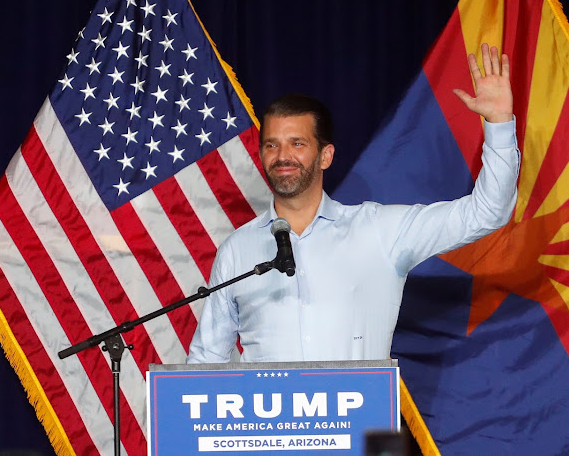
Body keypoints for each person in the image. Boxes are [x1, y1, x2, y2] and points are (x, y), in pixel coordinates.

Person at [187, 44, 519, 363]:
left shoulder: (380, 230)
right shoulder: (237, 249)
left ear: (325, 156)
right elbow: (206, 360)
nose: (283, 156)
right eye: (272, 145)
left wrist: (500, 124)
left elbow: (487, 213)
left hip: (360, 421)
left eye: (297, 143)